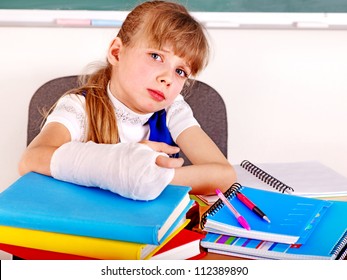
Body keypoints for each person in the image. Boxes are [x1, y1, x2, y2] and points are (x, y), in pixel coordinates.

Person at [18, 0, 236, 200]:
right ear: (116, 52)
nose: (168, 78)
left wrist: (146, 177)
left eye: (180, 71)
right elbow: (31, 160)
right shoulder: (79, 107)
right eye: (156, 56)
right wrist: (121, 165)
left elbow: (224, 175)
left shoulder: (173, 109)